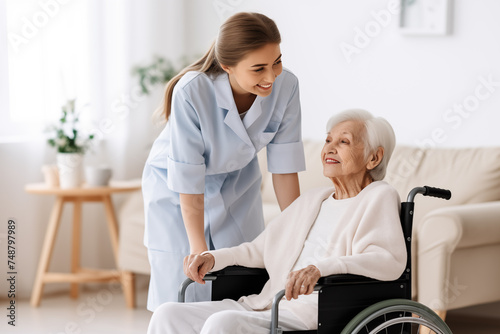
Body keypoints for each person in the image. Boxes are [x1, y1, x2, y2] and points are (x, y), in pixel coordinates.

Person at [147, 109, 408, 333]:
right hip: (268, 302)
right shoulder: (314, 199)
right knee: (167, 313)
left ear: (374, 157)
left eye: (344, 142)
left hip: (314, 311)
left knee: (223, 323)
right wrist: (213, 258)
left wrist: (321, 268)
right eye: (328, 140)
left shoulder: (378, 195)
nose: (330, 147)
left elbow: (388, 260)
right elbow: (259, 249)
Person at [142, 12, 305, 311]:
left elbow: (284, 170)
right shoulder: (192, 91)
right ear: (227, 65)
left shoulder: (287, 86)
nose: (271, 76)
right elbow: (189, 177)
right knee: (183, 287)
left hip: (238, 180)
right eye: (258, 69)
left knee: (245, 276)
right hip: (175, 189)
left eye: (277, 62)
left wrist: (299, 233)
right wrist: (197, 248)